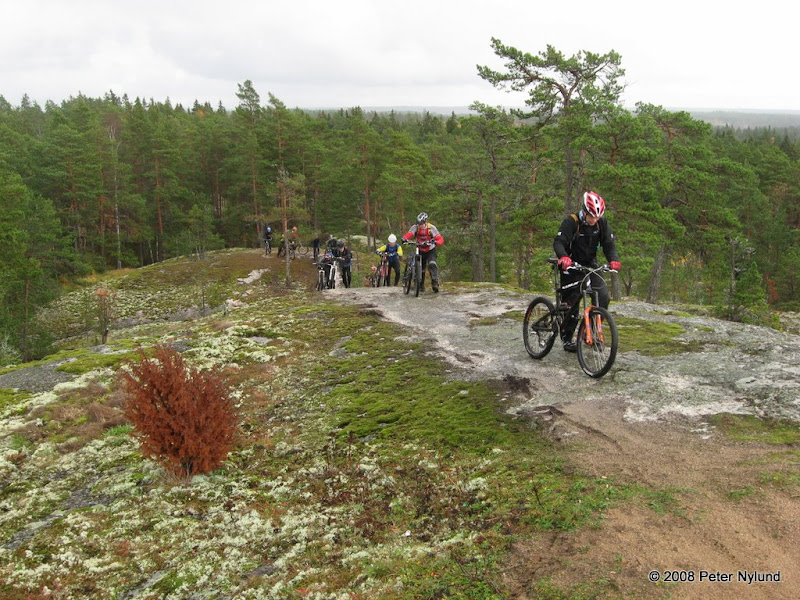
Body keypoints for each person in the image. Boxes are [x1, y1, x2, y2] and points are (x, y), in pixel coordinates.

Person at [553, 191, 621, 352]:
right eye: (592, 216)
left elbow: (609, 244)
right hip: (571, 265)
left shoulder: (600, 223)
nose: (594, 220)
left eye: (597, 217)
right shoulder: (572, 222)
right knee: (572, 303)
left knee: (603, 297)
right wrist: (564, 257)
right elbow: (559, 242)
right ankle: (567, 338)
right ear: (584, 210)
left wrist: (613, 259)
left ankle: (588, 332)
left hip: (590, 264)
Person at [402, 212, 444, 293]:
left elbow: (440, 239)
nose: (419, 225)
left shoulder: (431, 228)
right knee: (421, 268)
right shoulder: (415, 227)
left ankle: (435, 283)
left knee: (432, 264)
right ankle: (420, 285)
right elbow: (409, 234)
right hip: (420, 248)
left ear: (425, 222)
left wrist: (436, 242)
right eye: (418, 223)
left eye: (420, 223)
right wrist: (404, 238)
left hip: (430, 249)